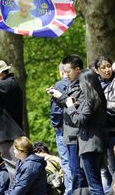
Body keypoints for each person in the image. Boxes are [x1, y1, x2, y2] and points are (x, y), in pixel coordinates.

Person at [47, 54, 88, 195]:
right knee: (75, 167)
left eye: (67, 72)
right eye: (64, 72)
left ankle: (72, 191)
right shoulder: (71, 84)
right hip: (71, 133)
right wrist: (59, 97)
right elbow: (67, 104)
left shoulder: (83, 84)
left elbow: (63, 110)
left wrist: (56, 124)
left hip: (75, 133)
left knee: (75, 168)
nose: (66, 75)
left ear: (77, 70)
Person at [65, 69, 107, 195]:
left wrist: (71, 107)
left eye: (81, 83)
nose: (80, 86)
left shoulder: (90, 100)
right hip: (96, 143)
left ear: (87, 83)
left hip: (90, 145)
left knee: (94, 186)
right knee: (96, 183)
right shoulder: (97, 98)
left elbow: (79, 121)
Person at [50, 62, 72, 195]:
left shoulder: (59, 85)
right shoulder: (79, 83)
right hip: (77, 126)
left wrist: (55, 124)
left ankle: (70, 190)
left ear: (61, 72)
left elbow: (56, 110)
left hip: (63, 127)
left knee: (66, 161)